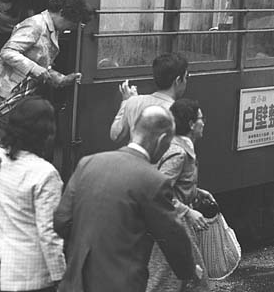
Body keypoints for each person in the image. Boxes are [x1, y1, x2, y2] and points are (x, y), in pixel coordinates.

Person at [54, 106, 200, 292]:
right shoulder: (153, 180)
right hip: (121, 283)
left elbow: (61, 221)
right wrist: (188, 270)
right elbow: (171, 235)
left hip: (77, 280)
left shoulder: (87, 163)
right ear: (162, 139)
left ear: (133, 130)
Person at [0, 0, 93, 152]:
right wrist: (36, 69)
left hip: (18, 93)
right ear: (62, 13)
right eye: (73, 23)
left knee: (10, 144)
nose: (71, 28)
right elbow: (8, 51)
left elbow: (40, 62)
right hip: (3, 92)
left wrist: (60, 79)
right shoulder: (36, 25)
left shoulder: (52, 29)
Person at [0, 97, 64, 292]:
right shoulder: (46, 173)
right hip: (28, 276)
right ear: (45, 133)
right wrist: (60, 276)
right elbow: (48, 234)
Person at [146, 99, 211, 292]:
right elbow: (158, 192)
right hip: (172, 225)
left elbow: (170, 186)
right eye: (201, 119)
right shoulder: (178, 153)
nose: (203, 123)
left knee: (186, 278)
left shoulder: (177, 147)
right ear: (191, 124)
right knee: (171, 280)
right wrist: (188, 212)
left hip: (174, 224)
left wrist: (196, 192)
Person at [110, 52, 189, 144]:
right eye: (186, 77)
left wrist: (126, 102)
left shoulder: (133, 102)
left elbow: (115, 135)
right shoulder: (177, 112)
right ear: (178, 80)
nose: (186, 81)